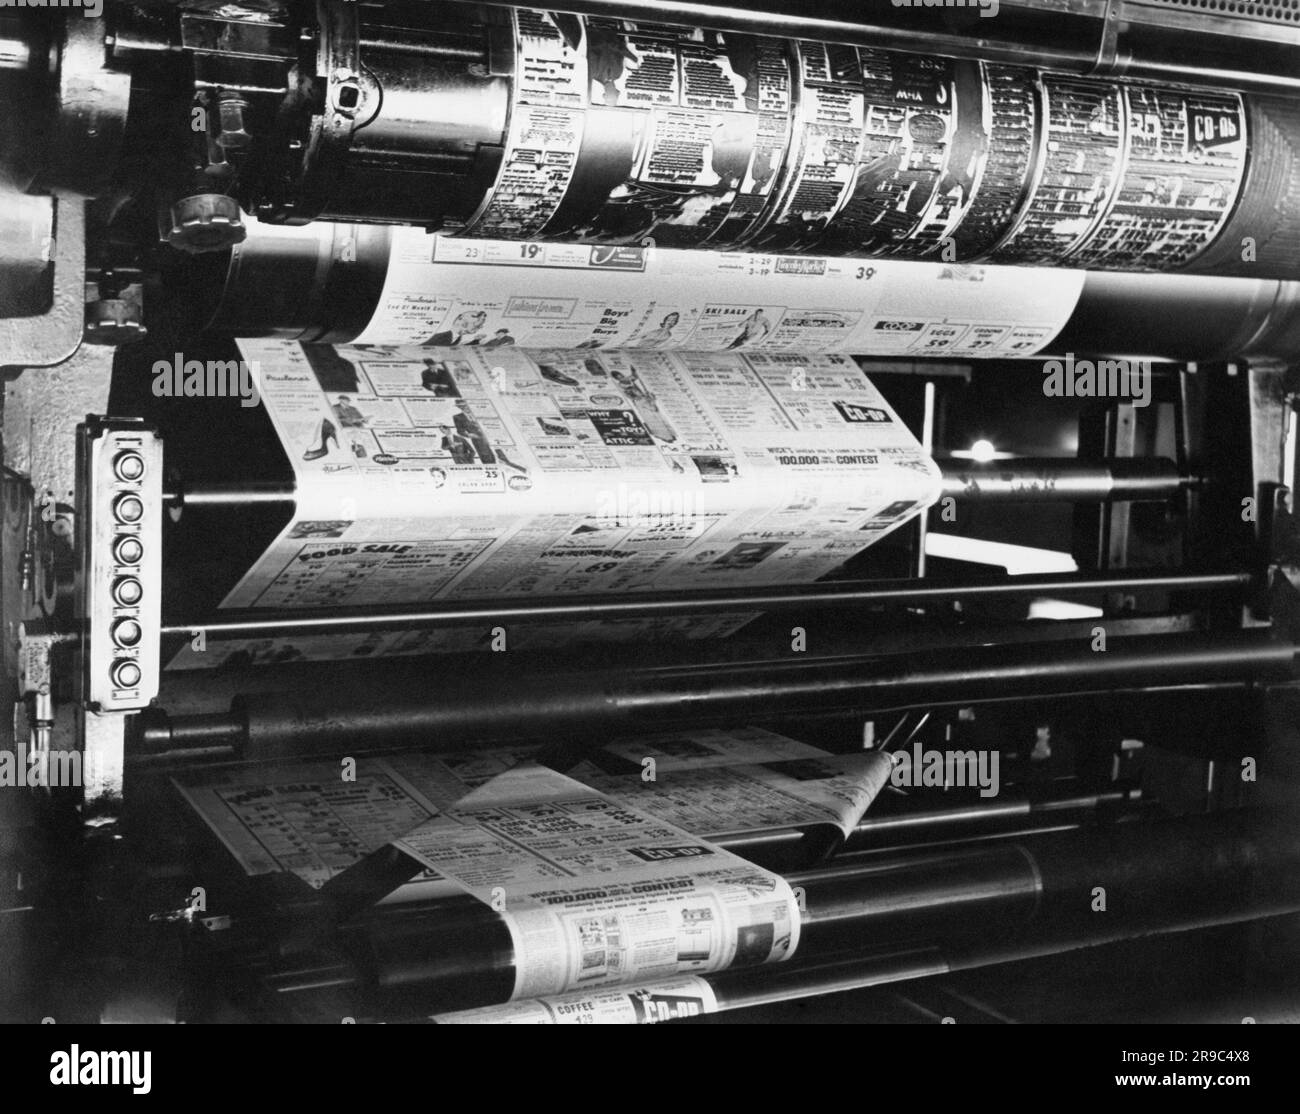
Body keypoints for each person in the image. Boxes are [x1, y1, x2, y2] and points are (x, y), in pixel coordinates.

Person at [422, 310, 487, 347]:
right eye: (477, 325)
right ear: (463, 323)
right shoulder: (440, 337)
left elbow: (455, 348)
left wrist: (476, 341)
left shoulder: (457, 337)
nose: (481, 327)